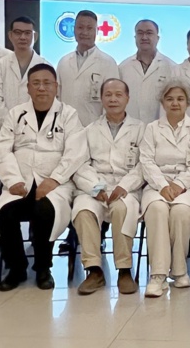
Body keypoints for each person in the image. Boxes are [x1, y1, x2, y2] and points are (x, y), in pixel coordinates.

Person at [0, 64, 87, 291]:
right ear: (28, 88)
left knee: (44, 210)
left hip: (55, 184)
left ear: (56, 87)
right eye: (36, 83)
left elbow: (76, 153)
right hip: (20, 182)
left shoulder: (68, 114)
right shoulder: (16, 114)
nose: (41, 88)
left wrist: (54, 180)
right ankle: (17, 268)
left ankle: (43, 268)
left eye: (47, 83)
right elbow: (3, 150)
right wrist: (13, 180)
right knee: (6, 213)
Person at [71, 78, 146, 296]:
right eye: (108, 95)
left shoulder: (140, 129)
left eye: (118, 95)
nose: (113, 99)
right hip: (95, 187)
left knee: (121, 209)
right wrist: (96, 188)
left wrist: (124, 186)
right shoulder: (89, 130)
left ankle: (124, 270)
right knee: (83, 211)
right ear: (101, 98)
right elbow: (80, 164)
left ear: (127, 98)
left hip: (126, 186)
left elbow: (145, 164)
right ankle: (94, 270)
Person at [139, 78, 190, 298]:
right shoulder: (152, 129)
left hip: (189, 186)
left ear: (188, 102)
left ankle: (179, 271)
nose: (175, 103)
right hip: (156, 184)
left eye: (180, 99)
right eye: (170, 99)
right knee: (157, 209)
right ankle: (157, 275)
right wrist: (162, 185)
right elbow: (146, 160)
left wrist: (179, 184)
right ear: (162, 102)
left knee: (180, 212)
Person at [56, 10, 120, 125]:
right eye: (80, 27)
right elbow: (57, 98)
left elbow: (112, 103)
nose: (84, 32)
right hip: (65, 127)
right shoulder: (63, 62)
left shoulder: (108, 63)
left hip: (95, 128)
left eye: (89, 28)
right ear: (74, 30)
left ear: (97, 31)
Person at [119, 19, 176, 123]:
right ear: (135, 37)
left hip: (160, 128)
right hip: (129, 128)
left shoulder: (172, 68)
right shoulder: (123, 67)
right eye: (140, 33)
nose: (144, 37)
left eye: (149, 33)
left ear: (157, 38)